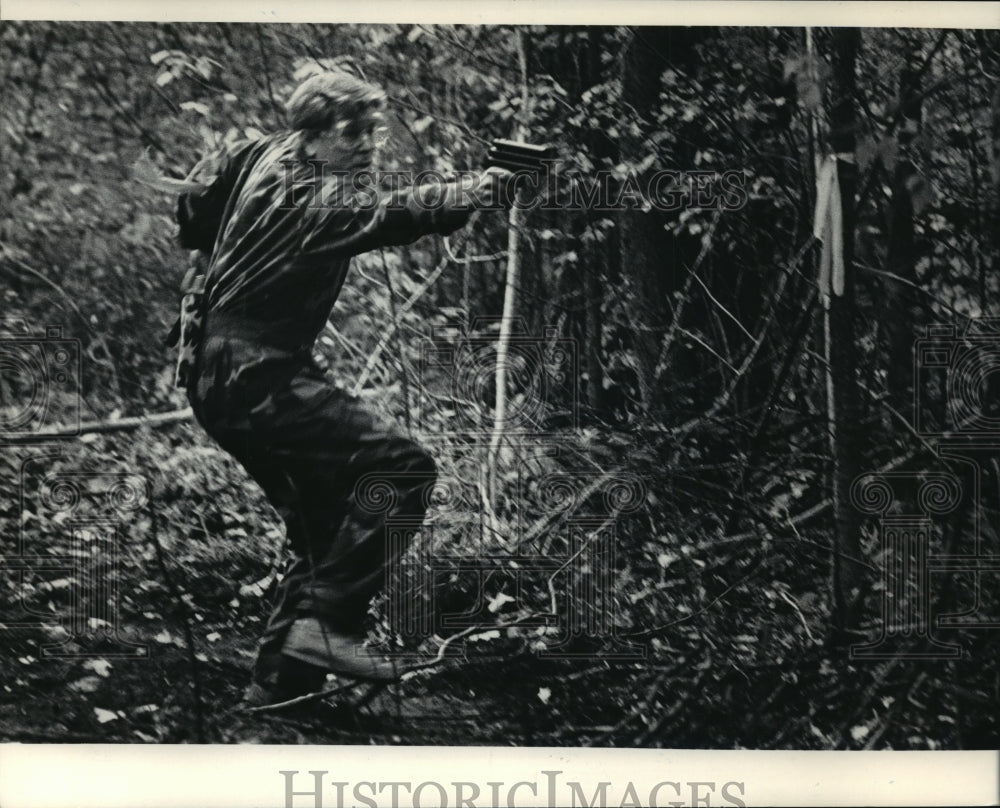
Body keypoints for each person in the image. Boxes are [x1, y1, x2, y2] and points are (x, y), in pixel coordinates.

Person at [172, 70, 509, 705]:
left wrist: (207, 221)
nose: (369, 144)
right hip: (251, 374)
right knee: (401, 468)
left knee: (324, 520)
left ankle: (279, 693)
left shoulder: (264, 152)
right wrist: (475, 191)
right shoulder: (313, 199)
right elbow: (391, 212)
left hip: (224, 373)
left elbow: (195, 210)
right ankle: (326, 627)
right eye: (353, 133)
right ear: (314, 135)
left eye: (373, 130)